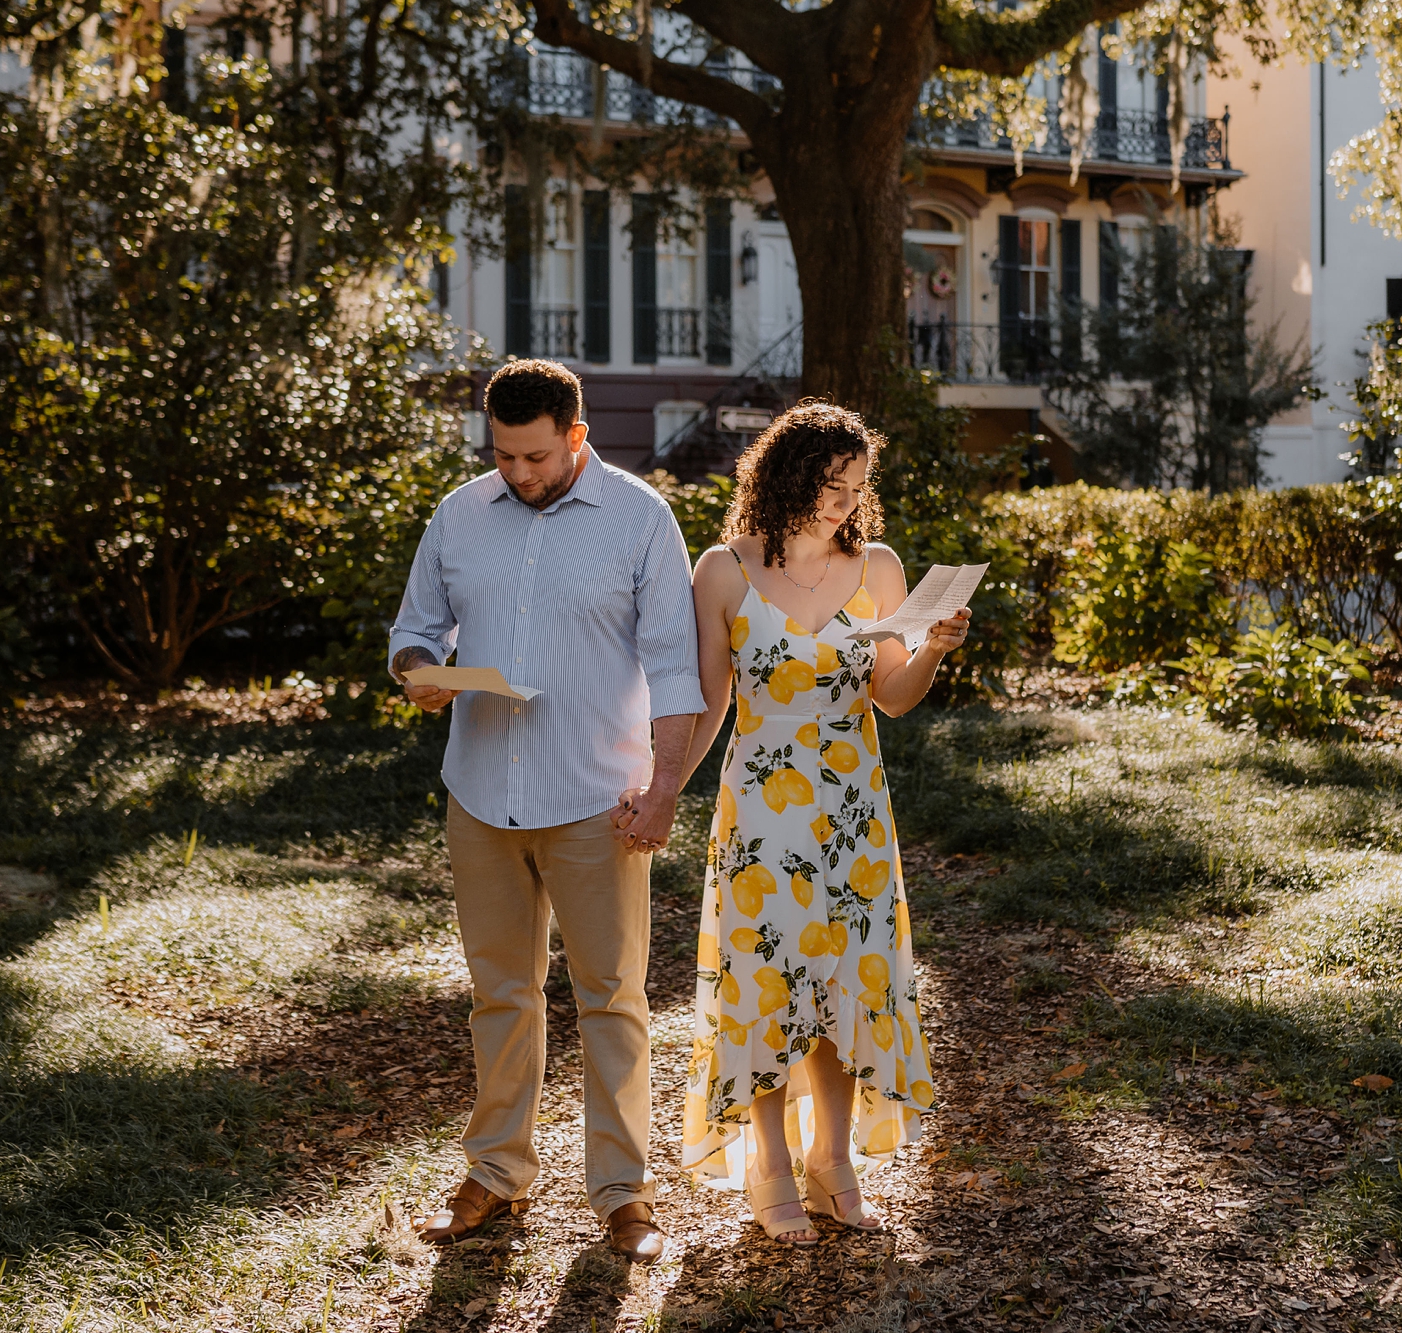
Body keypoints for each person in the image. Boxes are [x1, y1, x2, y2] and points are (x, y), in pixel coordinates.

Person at [388, 359, 705, 1264]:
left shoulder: (641, 519)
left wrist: (664, 787)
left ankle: (624, 1194)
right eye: (502, 456)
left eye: (534, 455)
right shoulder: (458, 513)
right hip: (481, 792)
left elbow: (676, 671)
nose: (517, 473)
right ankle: (495, 1174)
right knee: (501, 994)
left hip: (596, 798)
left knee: (612, 999)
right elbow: (416, 627)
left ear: (576, 434)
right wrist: (416, 670)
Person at [676, 401, 970, 1242]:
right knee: (767, 981)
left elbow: (893, 696)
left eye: (857, 488)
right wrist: (664, 789)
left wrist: (936, 648)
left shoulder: (877, 566)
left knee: (846, 979)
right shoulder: (724, 570)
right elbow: (709, 703)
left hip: (852, 808)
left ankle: (830, 1158)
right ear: (786, 475)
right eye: (831, 485)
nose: (845, 502)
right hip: (761, 812)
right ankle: (769, 1162)